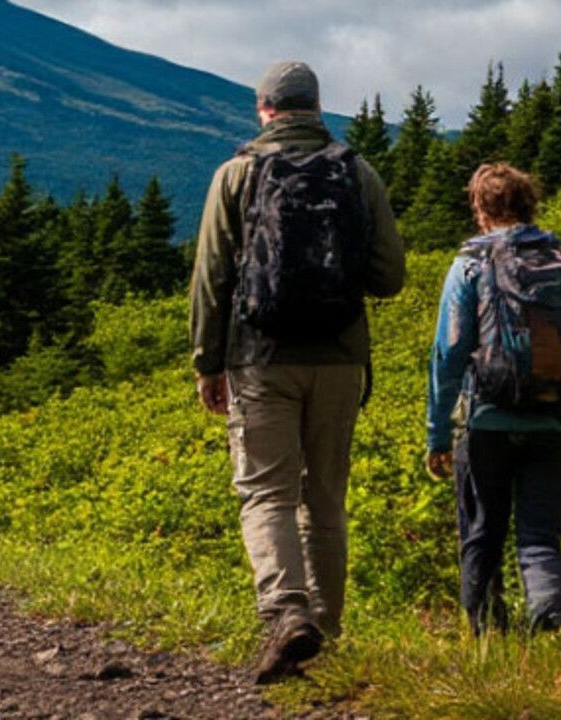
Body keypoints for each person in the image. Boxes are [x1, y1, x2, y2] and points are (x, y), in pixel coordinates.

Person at [189, 61, 405, 683]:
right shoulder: (357, 172)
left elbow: (210, 281)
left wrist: (208, 363)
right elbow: (390, 278)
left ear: (264, 109)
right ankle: (325, 639)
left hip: (259, 359)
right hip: (339, 360)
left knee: (266, 492)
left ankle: (287, 614)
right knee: (325, 499)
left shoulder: (236, 174)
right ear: (316, 106)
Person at [425, 163, 561, 636]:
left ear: (480, 208)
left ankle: (490, 642)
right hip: (559, 422)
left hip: (487, 421)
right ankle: (551, 625)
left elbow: (448, 352)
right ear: (530, 203)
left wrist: (438, 433)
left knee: (481, 533)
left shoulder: (470, 263)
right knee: (541, 539)